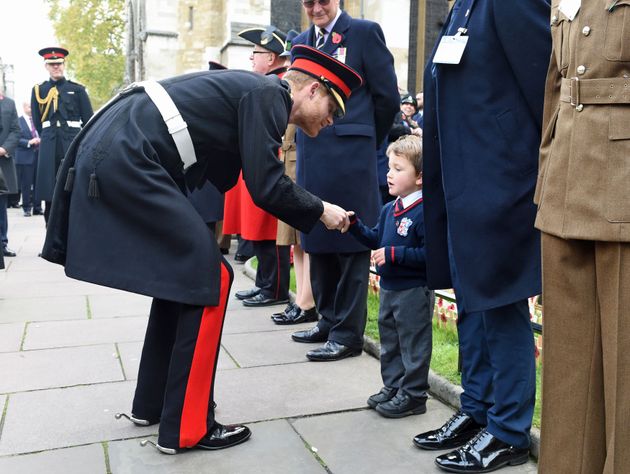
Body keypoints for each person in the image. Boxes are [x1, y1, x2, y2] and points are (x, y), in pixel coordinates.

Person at [41, 45, 362, 455]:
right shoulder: (269, 96)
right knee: (211, 276)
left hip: (121, 146)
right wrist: (322, 211)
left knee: (184, 276)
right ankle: (188, 427)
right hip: (130, 153)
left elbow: (231, 169)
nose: (330, 122)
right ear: (313, 91)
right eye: (331, 110)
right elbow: (266, 186)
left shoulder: (253, 92)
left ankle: (153, 403)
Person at [414, 1, 551, 473]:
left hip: (502, 179)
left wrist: (529, 170)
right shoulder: (464, 7)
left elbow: (543, 88)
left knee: (499, 301)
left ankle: (509, 429)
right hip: (461, 178)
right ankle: (477, 410)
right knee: (471, 298)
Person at [534, 3, 630, 473]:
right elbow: (556, 88)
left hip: (623, 187)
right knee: (569, 367)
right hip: (565, 186)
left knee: (625, 370)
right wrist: (546, 180)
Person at [291, 0, 399, 362]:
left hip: (352, 156)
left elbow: (387, 98)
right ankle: (327, 320)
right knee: (317, 234)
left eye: (323, 1)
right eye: (309, 3)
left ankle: (348, 334)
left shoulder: (364, 33)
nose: (316, 8)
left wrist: (366, 138)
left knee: (351, 241)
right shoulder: (301, 42)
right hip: (312, 150)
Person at [347, 135, 433, 418]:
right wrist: (354, 226)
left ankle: (414, 394)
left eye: (398, 169)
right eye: (390, 167)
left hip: (412, 290)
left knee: (413, 343)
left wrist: (395, 254)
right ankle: (393, 386)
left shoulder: (424, 212)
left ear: (419, 177)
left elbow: (429, 254)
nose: (389, 173)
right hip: (389, 288)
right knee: (391, 341)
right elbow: (376, 239)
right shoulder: (389, 209)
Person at [224, 26, 292, 308]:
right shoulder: (265, 82)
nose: (251, 58)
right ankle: (264, 282)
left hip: (272, 158)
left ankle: (275, 288)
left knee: (270, 227)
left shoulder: (280, 83)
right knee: (256, 227)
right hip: (256, 158)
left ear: (272, 57)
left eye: (256, 53)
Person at [271, 29, 319, 325]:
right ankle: (300, 295)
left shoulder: (304, 91)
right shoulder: (288, 87)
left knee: (304, 236)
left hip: (299, 160)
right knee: (293, 240)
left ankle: (307, 299)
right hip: (288, 160)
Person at [31, 47, 93, 223]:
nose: (55, 67)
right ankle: (50, 245)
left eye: (58, 64)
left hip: (71, 142)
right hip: (49, 144)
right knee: (49, 195)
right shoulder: (39, 91)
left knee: (72, 191)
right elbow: (38, 121)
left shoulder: (78, 90)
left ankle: (71, 243)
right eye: (52, 64)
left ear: (64, 64)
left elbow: (88, 119)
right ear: (46, 67)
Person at [0, 93, 20, 258]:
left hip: (2, 160)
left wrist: (4, 148)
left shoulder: (9, 103)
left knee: (1, 206)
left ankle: (2, 243)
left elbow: (15, 130)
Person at [16, 102, 41, 217]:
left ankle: (37, 207)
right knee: (26, 184)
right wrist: (29, 142)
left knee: (38, 183)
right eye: (29, 107)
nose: (31, 109)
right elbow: (15, 138)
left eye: (32, 106)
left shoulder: (38, 120)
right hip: (25, 156)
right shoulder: (18, 121)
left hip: (39, 155)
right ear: (24, 107)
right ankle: (26, 208)